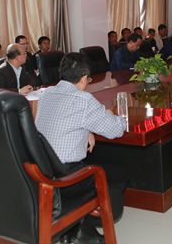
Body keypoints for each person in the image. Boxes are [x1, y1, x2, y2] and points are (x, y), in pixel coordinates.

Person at [35, 52, 127, 244]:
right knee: (117, 174)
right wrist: (113, 115)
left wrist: (87, 130)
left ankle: (76, 229)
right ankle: (83, 225)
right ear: (85, 78)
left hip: (41, 173)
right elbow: (115, 130)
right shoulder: (83, 100)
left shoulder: (45, 94)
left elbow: (63, 121)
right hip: (66, 178)